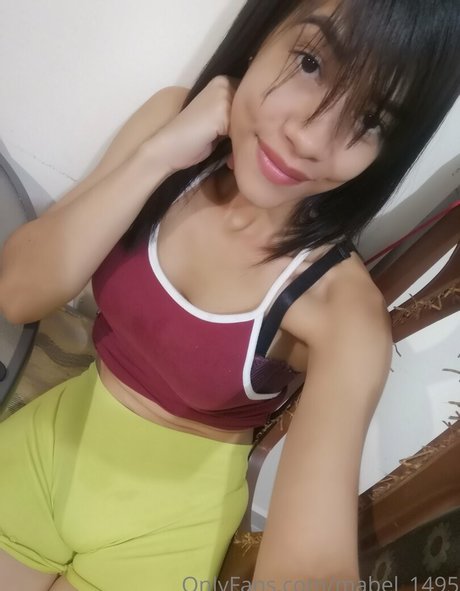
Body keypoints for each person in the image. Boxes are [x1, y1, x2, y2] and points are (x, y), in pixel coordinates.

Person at [0, 0, 459, 589]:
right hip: (46, 450)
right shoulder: (172, 122)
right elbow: (18, 295)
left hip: (166, 534)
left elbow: (311, 568)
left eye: (370, 119)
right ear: (264, 32)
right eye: (311, 63)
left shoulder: (338, 309)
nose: (310, 137)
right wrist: (157, 156)